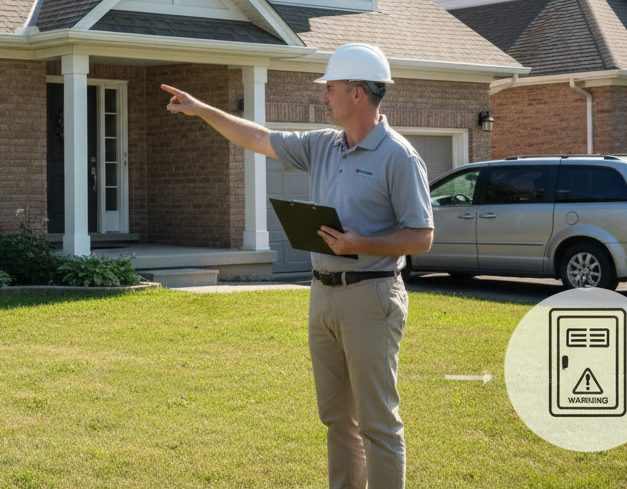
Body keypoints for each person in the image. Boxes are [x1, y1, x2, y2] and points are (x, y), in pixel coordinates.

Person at [161, 43, 433, 489]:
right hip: (322, 294)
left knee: (377, 422)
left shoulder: (399, 157)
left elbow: (422, 235)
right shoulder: (322, 145)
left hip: (372, 295)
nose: (323, 97)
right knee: (335, 418)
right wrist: (200, 109)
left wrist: (361, 244)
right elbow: (257, 137)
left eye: (331, 88)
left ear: (357, 93)